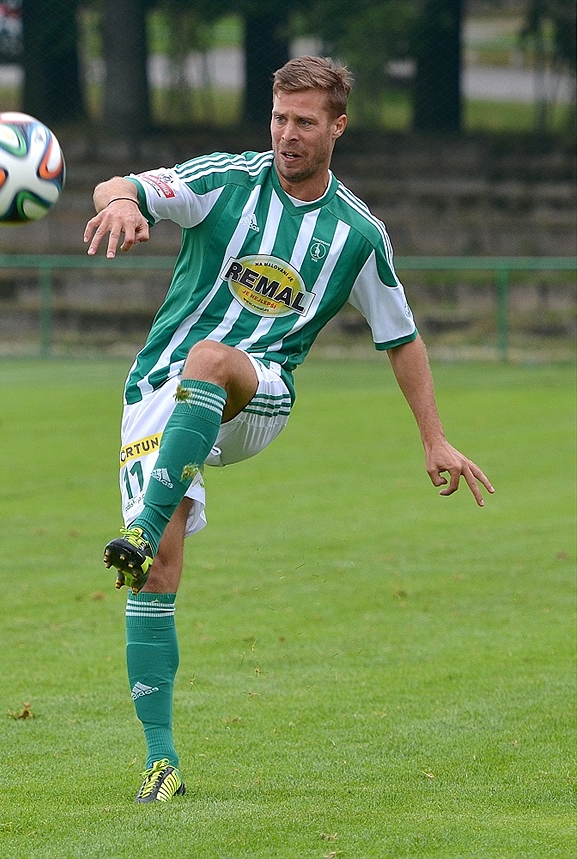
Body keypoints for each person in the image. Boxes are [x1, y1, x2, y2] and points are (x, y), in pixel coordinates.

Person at [83, 55, 494, 804]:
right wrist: (120, 203)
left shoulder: (357, 233)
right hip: (155, 393)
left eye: (305, 121)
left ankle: (140, 525)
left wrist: (433, 437)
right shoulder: (226, 180)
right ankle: (162, 761)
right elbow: (129, 184)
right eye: (279, 117)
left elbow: (401, 337)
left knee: (210, 359)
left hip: (258, 393)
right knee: (156, 575)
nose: (287, 134)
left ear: (338, 125)